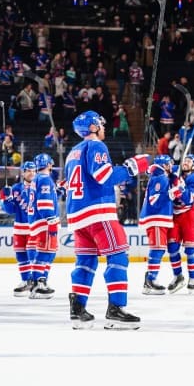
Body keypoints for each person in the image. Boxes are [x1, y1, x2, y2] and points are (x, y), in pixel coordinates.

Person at [65, 111, 148, 330]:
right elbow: (104, 176)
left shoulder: (72, 152)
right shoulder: (96, 146)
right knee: (118, 256)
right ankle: (116, 310)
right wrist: (132, 167)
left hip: (78, 217)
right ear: (93, 127)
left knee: (85, 263)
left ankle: (78, 310)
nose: (104, 128)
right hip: (98, 213)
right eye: (101, 124)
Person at [138, 155, 183, 295]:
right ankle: (150, 280)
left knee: (159, 248)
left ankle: (150, 280)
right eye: (169, 164)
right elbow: (155, 200)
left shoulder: (161, 176)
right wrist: (174, 192)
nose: (171, 166)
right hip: (156, 217)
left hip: (159, 218)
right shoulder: (160, 177)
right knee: (157, 249)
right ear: (163, 165)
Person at [167, 154, 194, 293]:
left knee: (190, 249)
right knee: (172, 247)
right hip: (175, 214)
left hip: (191, 214)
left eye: (189, 161)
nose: (186, 163)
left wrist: (179, 186)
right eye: (185, 161)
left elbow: (189, 198)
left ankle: (193, 278)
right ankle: (178, 276)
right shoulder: (176, 173)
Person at [28, 153, 62, 299]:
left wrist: (59, 190)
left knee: (50, 252)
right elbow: (44, 204)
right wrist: (51, 220)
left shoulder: (38, 179)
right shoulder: (45, 179)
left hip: (39, 221)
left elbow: (46, 198)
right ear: (48, 164)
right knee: (45, 252)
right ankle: (36, 284)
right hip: (45, 222)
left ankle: (42, 280)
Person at [1, 162, 37, 296]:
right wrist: (6, 199)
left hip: (34, 227)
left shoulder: (39, 187)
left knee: (33, 255)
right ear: (23, 173)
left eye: (33, 170)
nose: (31, 173)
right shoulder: (15, 189)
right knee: (21, 255)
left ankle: (36, 282)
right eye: (28, 171)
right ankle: (25, 280)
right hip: (19, 228)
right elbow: (10, 210)